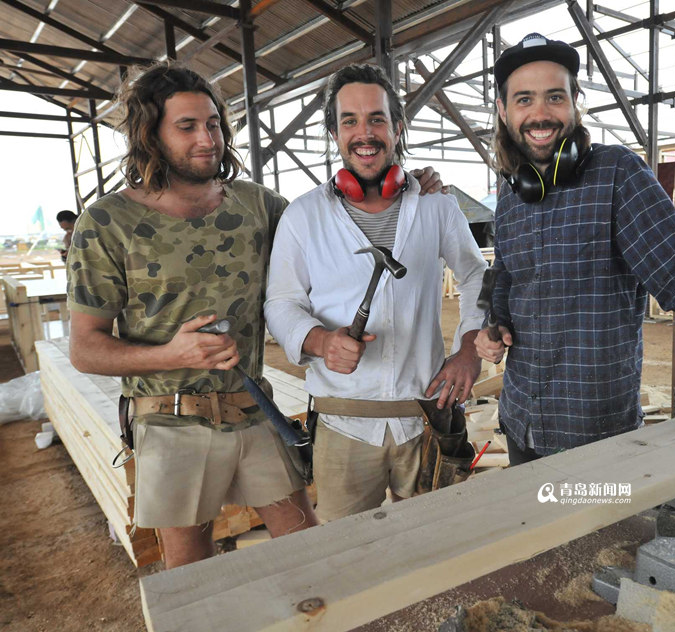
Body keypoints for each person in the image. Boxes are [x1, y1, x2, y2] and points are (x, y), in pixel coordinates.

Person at [65, 61, 445, 568]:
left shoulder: (260, 206)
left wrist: (408, 187)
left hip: (253, 410)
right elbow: (85, 348)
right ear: (150, 135)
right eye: (187, 127)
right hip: (169, 418)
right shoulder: (108, 221)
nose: (207, 139)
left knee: (310, 549)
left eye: (214, 124)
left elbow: (333, 222)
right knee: (191, 573)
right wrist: (169, 354)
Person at [474, 34, 675, 465]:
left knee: (600, 533)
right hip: (520, 420)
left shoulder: (617, 175)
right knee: (538, 529)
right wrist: (494, 328)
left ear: (575, 101)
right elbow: (508, 277)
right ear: (503, 109)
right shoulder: (511, 194)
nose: (539, 113)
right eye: (524, 99)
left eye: (555, 96)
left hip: (595, 434)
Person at [264, 64, 487, 523]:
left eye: (377, 119)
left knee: (433, 544)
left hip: (426, 416)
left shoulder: (436, 206)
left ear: (397, 127)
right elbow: (281, 302)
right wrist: (320, 341)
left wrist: (468, 349)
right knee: (346, 555)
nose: (364, 133)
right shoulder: (304, 216)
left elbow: (475, 276)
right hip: (344, 423)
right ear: (334, 133)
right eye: (350, 121)